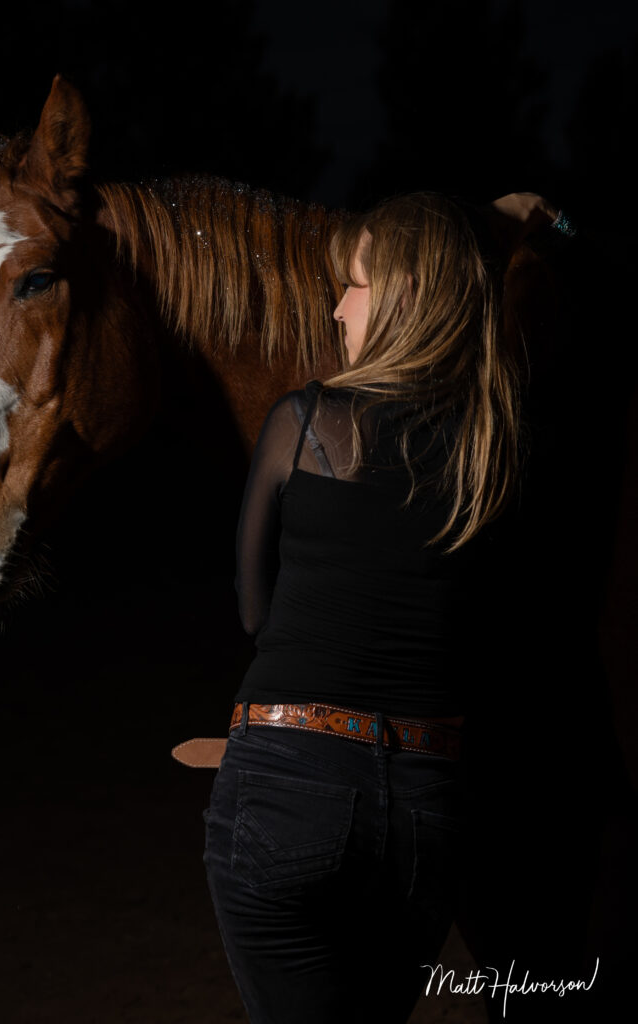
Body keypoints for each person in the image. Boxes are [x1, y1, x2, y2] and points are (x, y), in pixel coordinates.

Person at [202, 192, 547, 1024]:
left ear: (402, 299)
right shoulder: (493, 445)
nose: (335, 308)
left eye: (352, 286)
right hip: (427, 804)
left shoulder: (307, 420)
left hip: (289, 780)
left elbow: (254, 611)